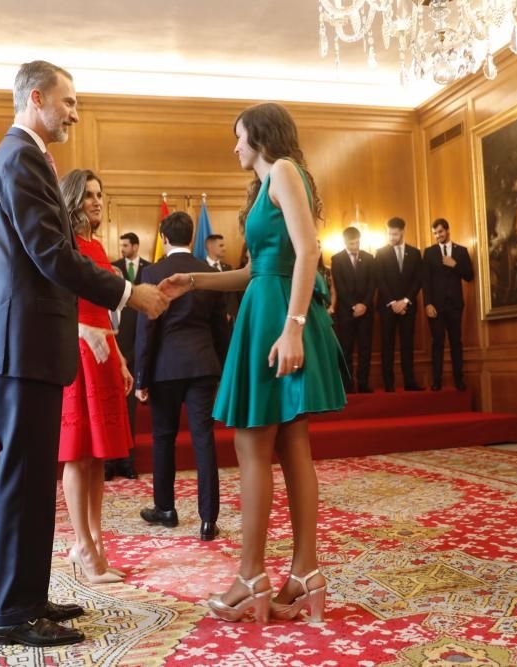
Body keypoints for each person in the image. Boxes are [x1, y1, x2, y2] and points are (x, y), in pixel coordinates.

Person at [0, 60, 168, 648]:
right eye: (70, 102)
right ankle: (10, 612)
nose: (76, 113)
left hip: (28, 344)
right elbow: (51, 254)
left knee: (33, 481)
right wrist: (131, 292)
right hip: (20, 344)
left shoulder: (25, 157)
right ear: (37, 98)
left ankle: (27, 597)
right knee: (22, 480)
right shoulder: (20, 156)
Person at [161, 102, 346, 624]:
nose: (234, 146)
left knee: (252, 445)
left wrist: (294, 328)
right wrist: (193, 280)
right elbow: (253, 270)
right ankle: (304, 573)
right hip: (267, 307)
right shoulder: (270, 184)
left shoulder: (284, 170)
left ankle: (251, 576)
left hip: (280, 318)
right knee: (290, 445)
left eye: (238, 136)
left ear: (261, 136)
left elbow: (309, 250)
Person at [57, 169, 135, 585]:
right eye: (88, 194)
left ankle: (94, 540)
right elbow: (60, 303)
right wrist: (82, 334)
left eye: (100, 194)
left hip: (103, 352)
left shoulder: (96, 245)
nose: (96, 200)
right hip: (78, 351)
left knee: (98, 455)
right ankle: (83, 543)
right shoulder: (65, 245)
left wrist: (120, 358)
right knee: (77, 452)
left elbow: (105, 309)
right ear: (71, 199)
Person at [137, 212, 229, 541]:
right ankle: (208, 520)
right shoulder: (208, 272)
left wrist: (140, 379)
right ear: (192, 238)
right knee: (204, 439)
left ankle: (166, 509)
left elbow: (147, 330)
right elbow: (221, 325)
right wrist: (221, 366)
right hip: (203, 364)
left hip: (164, 368)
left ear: (163, 237)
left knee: (163, 438)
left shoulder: (151, 271)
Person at [107, 232, 150, 481]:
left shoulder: (133, 310)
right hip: (105, 370)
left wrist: (130, 361)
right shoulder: (100, 310)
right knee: (108, 418)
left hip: (130, 370)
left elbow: (140, 338)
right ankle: (108, 464)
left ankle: (127, 462)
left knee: (128, 418)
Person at [422, 218, 473, 391]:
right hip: (436, 306)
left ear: (448, 230)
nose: (438, 236)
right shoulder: (429, 253)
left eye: (441, 232)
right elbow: (426, 281)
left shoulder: (461, 251)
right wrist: (428, 303)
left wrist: (455, 265)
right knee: (437, 343)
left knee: (456, 342)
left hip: (455, 305)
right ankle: (437, 381)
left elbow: (469, 275)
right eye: (435, 233)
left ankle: (459, 380)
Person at [375, 217, 423, 392]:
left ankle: (409, 381)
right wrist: (394, 303)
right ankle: (389, 384)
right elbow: (379, 280)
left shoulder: (415, 253)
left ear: (402, 232)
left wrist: (405, 301)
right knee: (387, 345)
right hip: (387, 306)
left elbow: (418, 280)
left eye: (395, 234)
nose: (391, 237)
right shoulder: (380, 253)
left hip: (408, 306)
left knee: (407, 344)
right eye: (389, 233)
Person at [330, 226, 376, 393]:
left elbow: (373, 283)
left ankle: (363, 383)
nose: (355, 246)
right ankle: (347, 385)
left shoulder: (369, 258)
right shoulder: (337, 259)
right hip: (346, 312)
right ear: (345, 242)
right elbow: (340, 287)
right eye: (351, 243)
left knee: (365, 349)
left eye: (357, 242)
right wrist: (353, 305)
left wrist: (364, 304)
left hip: (366, 311)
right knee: (346, 349)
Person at [206, 234, 241, 325]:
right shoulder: (201, 268)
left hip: (229, 321)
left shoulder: (228, 268)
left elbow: (233, 293)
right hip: (210, 320)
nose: (224, 248)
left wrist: (229, 312)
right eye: (221, 245)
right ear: (210, 247)